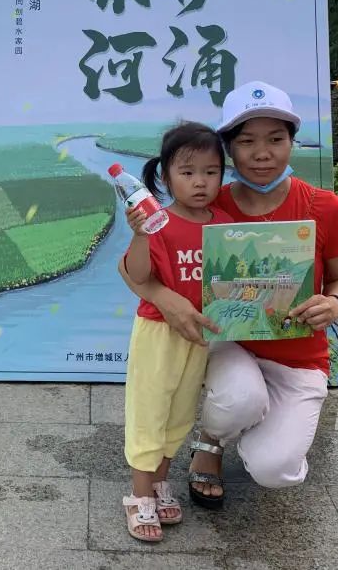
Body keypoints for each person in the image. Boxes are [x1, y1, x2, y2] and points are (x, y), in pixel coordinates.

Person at [120, 81, 338, 509]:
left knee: (274, 469)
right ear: (228, 149)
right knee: (237, 401)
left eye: (276, 139)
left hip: (300, 357)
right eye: (247, 141)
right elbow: (132, 271)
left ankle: (261, 428)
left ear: (292, 142)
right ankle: (210, 442)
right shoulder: (210, 202)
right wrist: (166, 300)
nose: (262, 153)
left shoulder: (325, 207)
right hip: (233, 345)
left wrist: (335, 302)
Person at [119, 122, 234, 543]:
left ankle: (160, 484)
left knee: (180, 414)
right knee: (149, 412)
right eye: (187, 172)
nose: (200, 182)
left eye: (210, 171)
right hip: (158, 333)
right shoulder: (158, 223)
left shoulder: (225, 224)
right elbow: (138, 275)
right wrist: (138, 235)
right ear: (166, 177)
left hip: (199, 337)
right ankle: (138, 496)